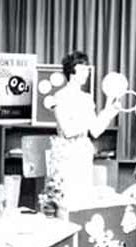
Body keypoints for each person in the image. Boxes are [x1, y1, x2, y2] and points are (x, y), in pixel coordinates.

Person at [47, 51, 121, 206]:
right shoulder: (60, 97)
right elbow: (68, 130)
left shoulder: (87, 99)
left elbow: (95, 130)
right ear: (73, 72)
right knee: (65, 200)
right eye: (83, 69)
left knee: (82, 200)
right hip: (65, 155)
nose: (87, 72)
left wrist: (110, 110)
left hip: (83, 153)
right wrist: (86, 120)